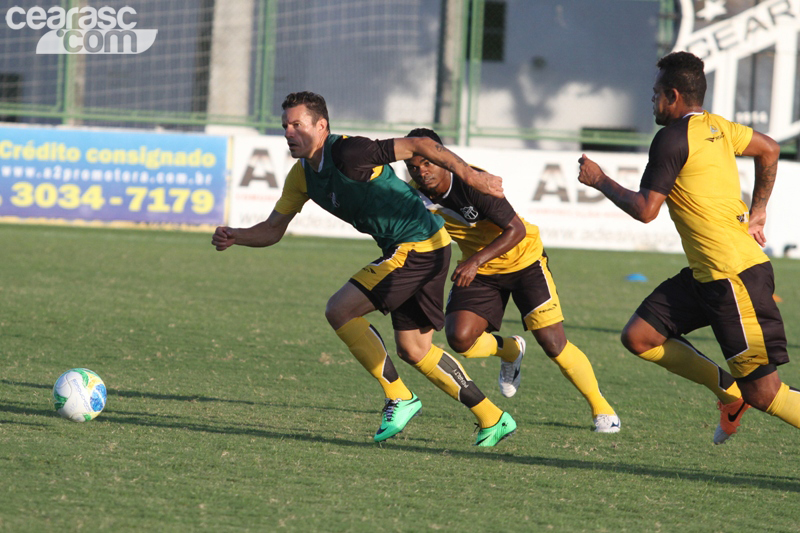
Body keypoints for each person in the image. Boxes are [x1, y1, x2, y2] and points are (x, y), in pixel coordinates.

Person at [212, 91, 515, 447]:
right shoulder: (302, 176)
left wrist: (471, 176)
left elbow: (420, 144)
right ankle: (493, 417)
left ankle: (399, 397)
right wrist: (238, 235)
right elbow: (273, 230)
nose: (289, 133)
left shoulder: (350, 152)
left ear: (321, 126)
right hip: (424, 246)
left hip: (416, 246)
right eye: (285, 126)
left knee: (340, 309)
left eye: (297, 125)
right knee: (415, 349)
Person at [577, 51, 800, 444]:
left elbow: (646, 210)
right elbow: (769, 148)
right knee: (640, 336)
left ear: (673, 96)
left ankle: (743, 396)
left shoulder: (671, 138)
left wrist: (600, 180)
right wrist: (758, 212)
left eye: (656, 93)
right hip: (707, 274)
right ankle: (729, 394)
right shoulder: (716, 126)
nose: (652, 101)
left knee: (765, 394)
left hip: (733, 277)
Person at [404, 128, 621, 433]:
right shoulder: (413, 192)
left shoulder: (473, 182)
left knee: (552, 343)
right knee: (460, 339)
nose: (421, 171)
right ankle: (511, 351)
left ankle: (603, 409)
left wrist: (475, 261)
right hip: (481, 269)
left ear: (443, 157)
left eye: (427, 163)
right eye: (413, 166)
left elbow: (515, 229)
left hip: (523, 259)